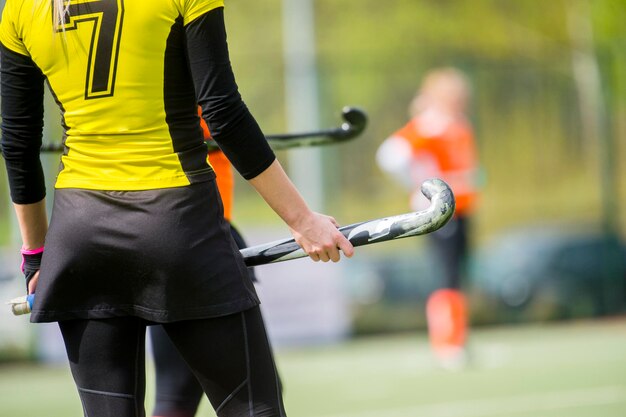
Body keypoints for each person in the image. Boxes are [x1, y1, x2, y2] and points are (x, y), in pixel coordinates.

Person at [0, 1, 354, 417]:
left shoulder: (20, 8)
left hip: (79, 233)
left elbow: (17, 143)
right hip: (176, 224)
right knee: (254, 408)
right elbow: (223, 113)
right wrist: (302, 220)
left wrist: (37, 256)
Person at [149, 109, 267, 417]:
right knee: (254, 400)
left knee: (176, 395)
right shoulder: (188, 70)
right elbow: (226, 115)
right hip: (200, 235)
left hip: (156, 230)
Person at [376, 67, 480, 370]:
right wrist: (421, 187)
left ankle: (458, 339)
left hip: (465, 211)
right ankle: (446, 344)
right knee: (446, 277)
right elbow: (390, 156)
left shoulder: (458, 125)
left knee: (458, 277)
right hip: (443, 214)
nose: (460, 99)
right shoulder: (429, 127)